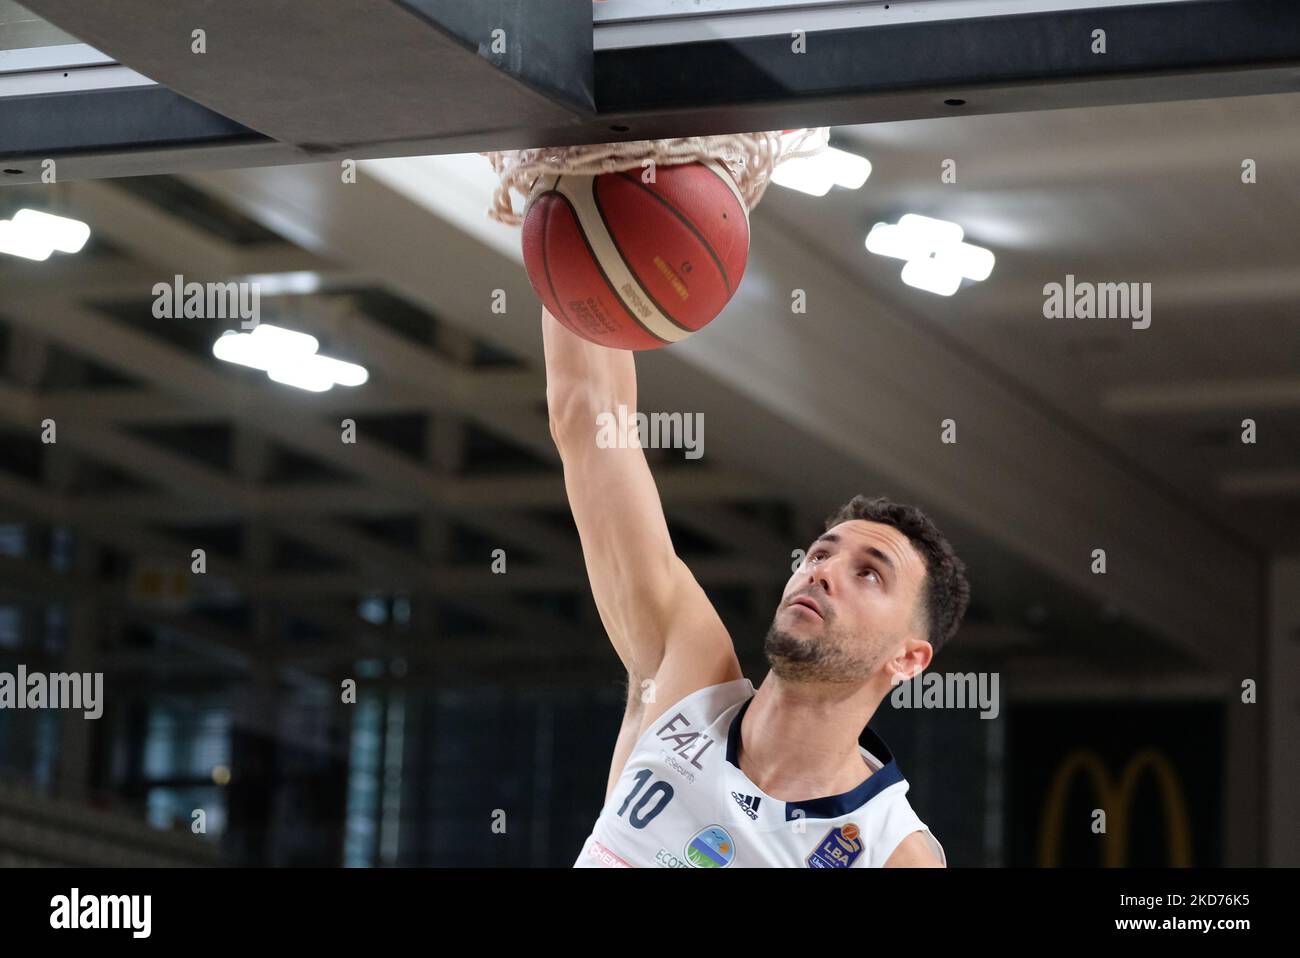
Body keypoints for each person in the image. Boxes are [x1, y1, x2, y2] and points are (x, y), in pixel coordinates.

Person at [543, 306, 970, 867]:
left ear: (909, 658)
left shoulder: (891, 852)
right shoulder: (686, 678)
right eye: (821, 552)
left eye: (868, 573)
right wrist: (572, 227)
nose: (822, 571)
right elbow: (590, 417)